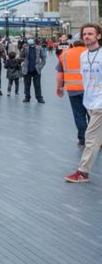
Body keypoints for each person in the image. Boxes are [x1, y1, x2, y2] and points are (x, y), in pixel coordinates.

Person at [64, 24, 102, 183]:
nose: (87, 36)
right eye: (84, 34)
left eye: (90, 34)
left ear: (98, 36)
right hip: (90, 101)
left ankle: (83, 172)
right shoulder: (83, 56)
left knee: (90, 137)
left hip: (100, 103)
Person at [56, 40, 88, 146]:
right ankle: (96, 139)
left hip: (73, 89)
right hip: (90, 89)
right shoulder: (91, 52)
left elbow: (60, 75)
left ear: (73, 45)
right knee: (93, 115)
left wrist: (59, 88)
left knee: (79, 115)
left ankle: (83, 139)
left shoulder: (65, 54)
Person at [20, 38, 46, 103]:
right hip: (27, 69)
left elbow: (43, 59)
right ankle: (27, 97)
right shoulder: (25, 48)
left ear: (34, 42)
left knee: (37, 85)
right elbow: (21, 56)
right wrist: (23, 49)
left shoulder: (39, 48)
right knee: (27, 84)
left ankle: (39, 98)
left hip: (36, 69)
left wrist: (40, 67)